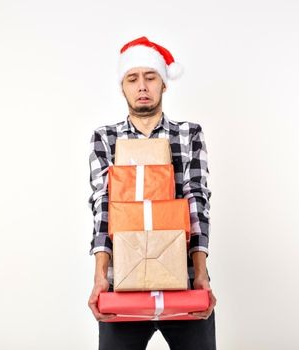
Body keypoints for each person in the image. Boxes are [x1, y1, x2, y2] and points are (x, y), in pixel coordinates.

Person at [87, 36, 217, 350]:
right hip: (123, 281)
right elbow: (103, 205)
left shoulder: (189, 134)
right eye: (133, 78)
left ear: (164, 84)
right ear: (122, 86)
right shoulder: (105, 138)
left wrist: (200, 273)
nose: (142, 86)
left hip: (184, 278)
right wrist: (100, 276)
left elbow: (196, 200)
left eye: (150, 77)